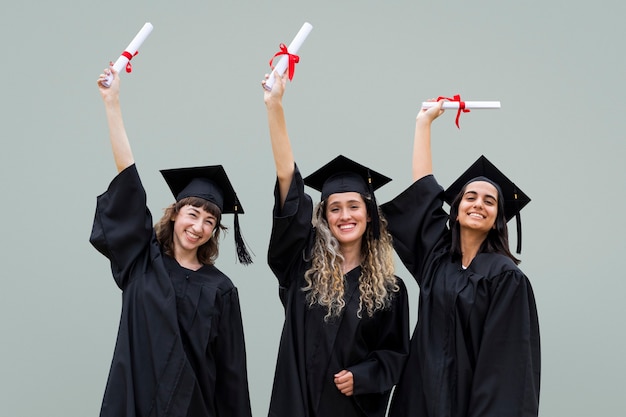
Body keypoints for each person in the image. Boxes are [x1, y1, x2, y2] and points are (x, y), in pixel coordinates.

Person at [91, 67, 253, 417]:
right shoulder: (141, 262)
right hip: (133, 404)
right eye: (193, 214)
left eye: (210, 221)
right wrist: (112, 103)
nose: (199, 226)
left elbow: (231, 373)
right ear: (176, 214)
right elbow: (128, 184)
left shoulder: (221, 289)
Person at [262, 72, 410, 417]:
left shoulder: (390, 291)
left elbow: (394, 354)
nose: (345, 216)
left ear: (370, 214)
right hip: (295, 405)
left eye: (354, 206)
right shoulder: (301, 268)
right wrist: (274, 106)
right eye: (335, 208)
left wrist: (363, 376)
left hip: (348, 409)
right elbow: (288, 183)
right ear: (323, 216)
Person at [381, 100, 541, 417]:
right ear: (455, 211)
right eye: (470, 197)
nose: (478, 204)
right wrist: (423, 124)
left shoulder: (506, 278)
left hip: (470, 405)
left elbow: (507, 366)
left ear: (498, 217)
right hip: (418, 400)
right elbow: (423, 193)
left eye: (489, 201)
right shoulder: (438, 260)